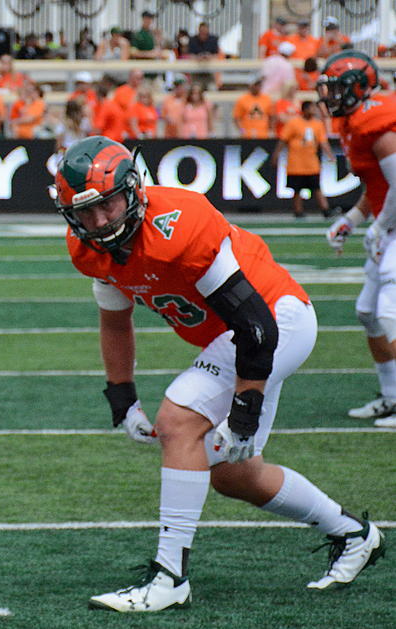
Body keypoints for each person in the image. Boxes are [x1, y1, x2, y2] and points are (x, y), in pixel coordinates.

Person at [51, 136, 385, 613]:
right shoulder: (89, 250)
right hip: (241, 334)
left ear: (134, 190)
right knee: (234, 475)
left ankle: (170, 577)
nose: (101, 221)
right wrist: (121, 395)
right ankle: (354, 533)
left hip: (275, 319)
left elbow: (255, 325)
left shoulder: (179, 225)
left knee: (179, 419)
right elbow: (115, 320)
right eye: (86, 212)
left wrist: (245, 409)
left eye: (109, 204)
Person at [319, 52, 396, 426]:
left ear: (358, 88)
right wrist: (352, 219)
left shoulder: (378, 124)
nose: (329, 95)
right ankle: (391, 396)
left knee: (389, 314)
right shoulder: (354, 122)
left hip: (394, 225)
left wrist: (380, 226)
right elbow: (378, 185)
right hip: (390, 222)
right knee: (368, 313)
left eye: (335, 88)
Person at [272, 100, 333, 219]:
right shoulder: (293, 123)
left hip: (311, 163)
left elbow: (323, 141)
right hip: (296, 163)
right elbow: (283, 140)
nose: (313, 110)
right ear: (304, 109)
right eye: (311, 108)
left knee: (317, 188)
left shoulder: (318, 124)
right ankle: (298, 211)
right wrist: (276, 155)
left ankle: (325, 209)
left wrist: (330, 155)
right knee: (296, 190)